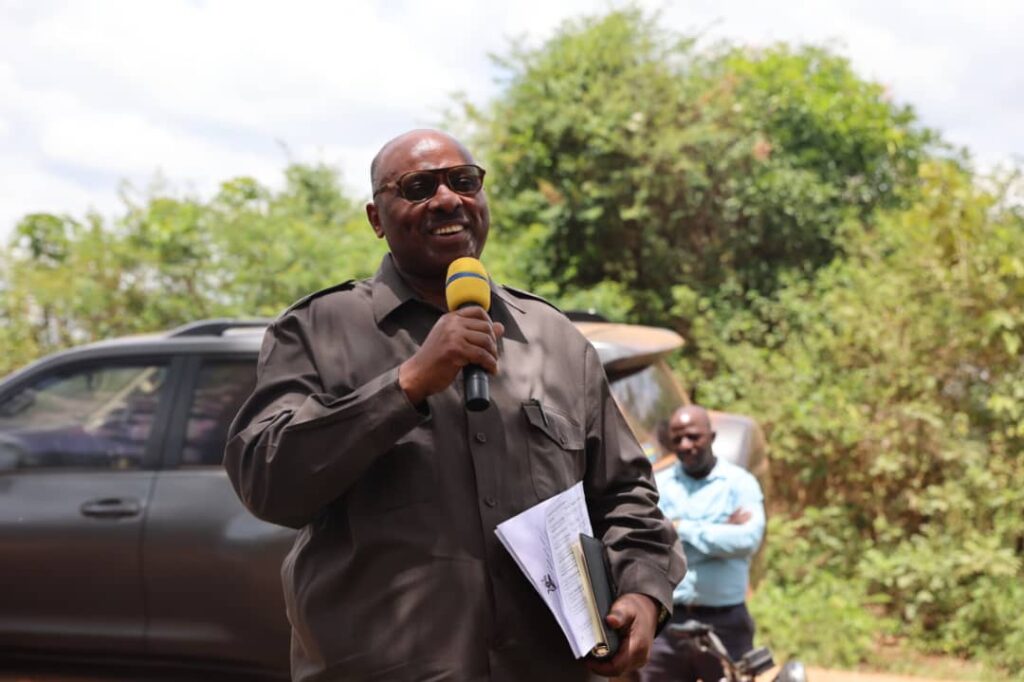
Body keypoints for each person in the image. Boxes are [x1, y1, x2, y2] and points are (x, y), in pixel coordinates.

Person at [224, 129, 685, 682]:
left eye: (464, 181)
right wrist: (406, 384)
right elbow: (266, 482)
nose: (447, 199)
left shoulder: (555, 338)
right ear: (376, 218)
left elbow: (626, 494)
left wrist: (642, 591)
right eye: (418, 187)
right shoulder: (318, 330)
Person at [641, 405, 766, 682]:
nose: (686, 445)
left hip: (726, 623)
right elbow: (650, 542)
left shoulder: (739, 483)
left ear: (712, 436)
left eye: (693, 436)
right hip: (668, 624)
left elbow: (747, 540)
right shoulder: (658, 485)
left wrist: (681, 529)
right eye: (678, 439)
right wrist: (720, 533)